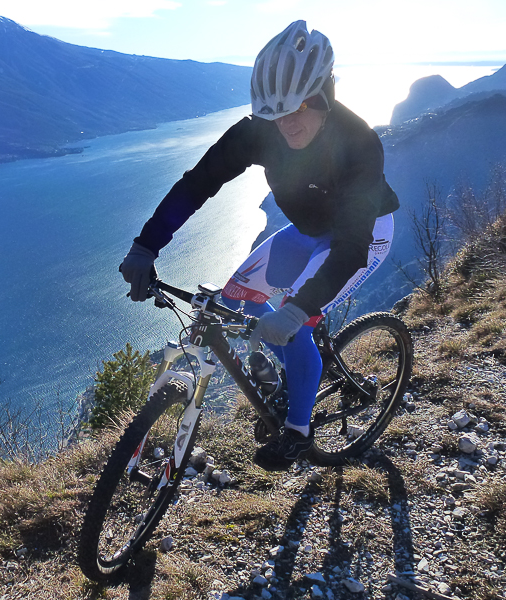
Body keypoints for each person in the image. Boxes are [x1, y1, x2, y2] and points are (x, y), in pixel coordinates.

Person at [119, 20, 399, 470]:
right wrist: (145, 246)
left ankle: (298, 432)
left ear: (325, 94)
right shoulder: (260, 131)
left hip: (364, 235)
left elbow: (351, 247)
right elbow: (197, 184)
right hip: (307, 233)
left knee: (296, 321)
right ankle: (294, 373)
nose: (287, 122)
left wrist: (298, 309)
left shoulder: (358, 142)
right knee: (235, 299)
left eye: (300, 105)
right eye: (275, 111)